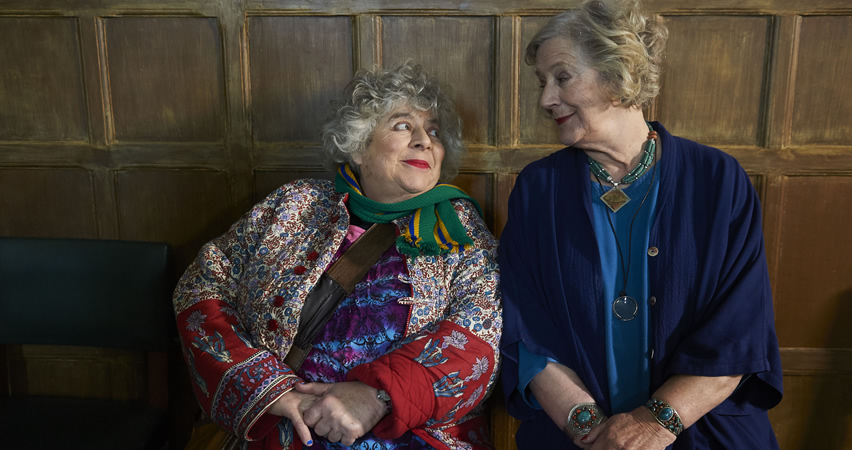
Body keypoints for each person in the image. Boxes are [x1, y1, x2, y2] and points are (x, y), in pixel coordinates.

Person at [498, 1, 783, 448]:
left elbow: (739, 328)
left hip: (704, 432)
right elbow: (524, 328)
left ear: (616, 73)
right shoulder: (538, 189)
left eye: (562, 77)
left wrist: (653, 425)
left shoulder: (718, 180)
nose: (545, 99)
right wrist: (590, 429)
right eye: (542, 82)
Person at [173, 61, 501, 449]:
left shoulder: (458, 228)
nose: (424, 141)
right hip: (282, 427)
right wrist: (269, 390)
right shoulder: (296, 203)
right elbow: (202, 284)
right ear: (359, 146)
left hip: (404, 435)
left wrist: (377, 396)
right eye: (402, 125)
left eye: (433, 132)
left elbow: (480, 337)